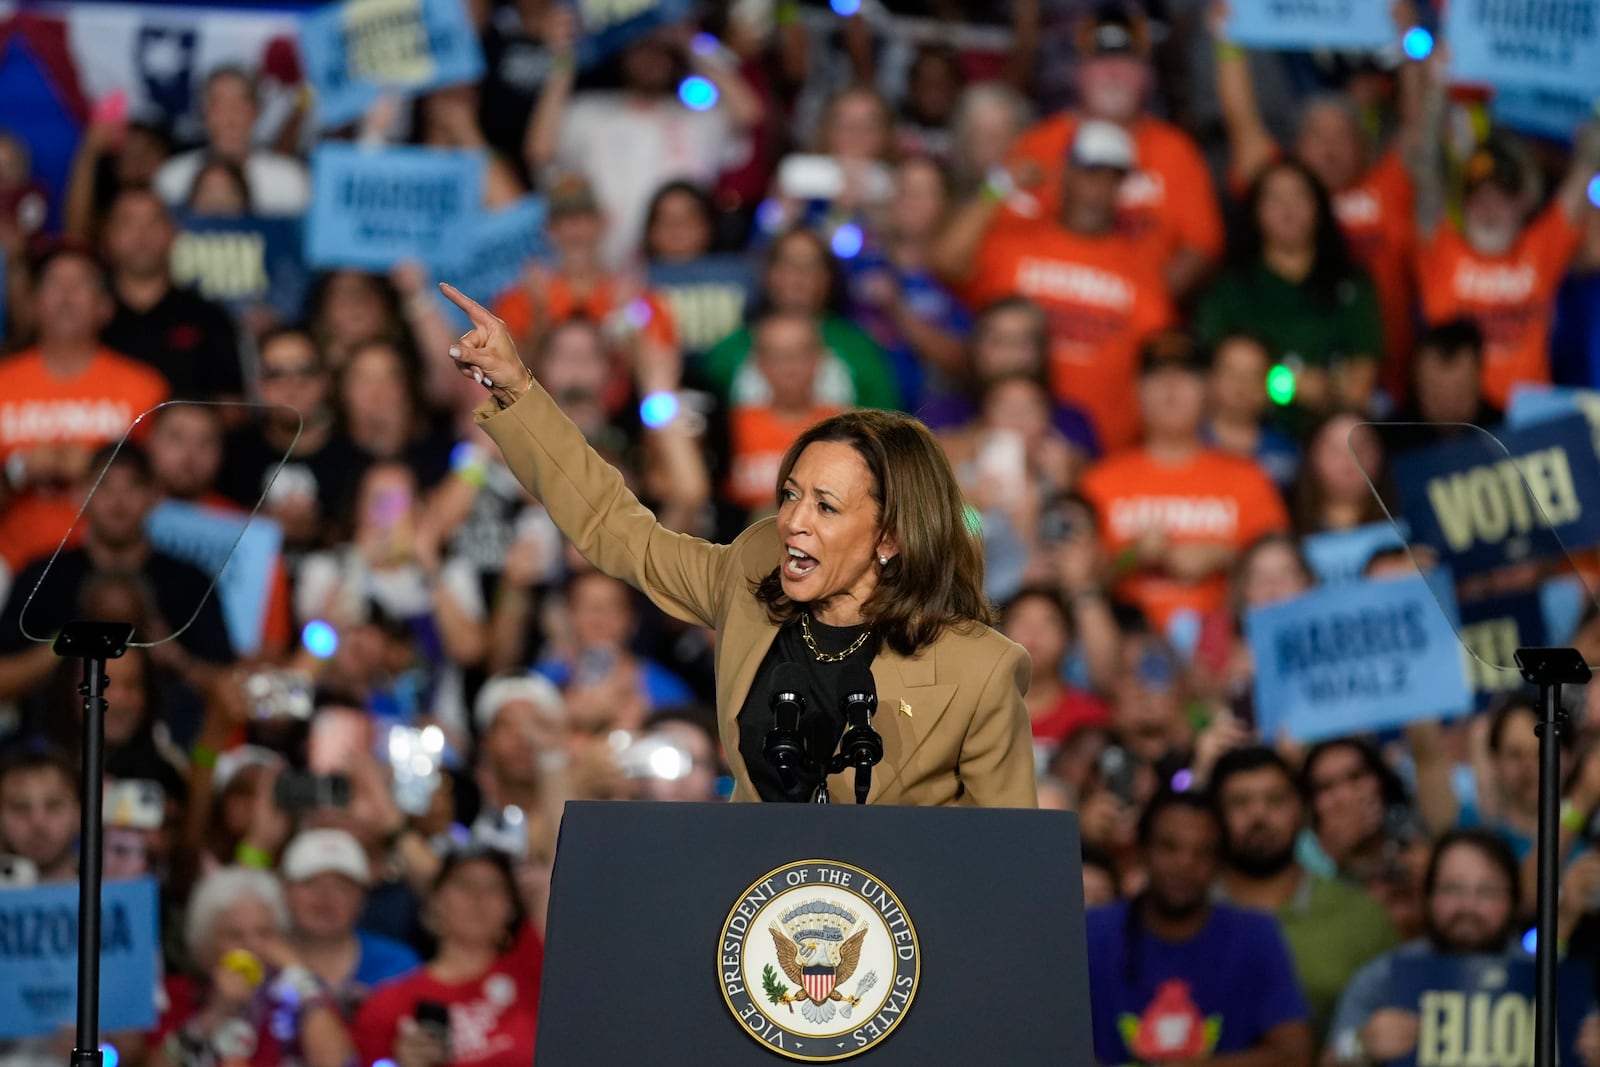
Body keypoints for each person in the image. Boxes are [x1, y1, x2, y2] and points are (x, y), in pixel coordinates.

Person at [437, 281, 1035, 807]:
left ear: (890, 538)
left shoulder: (980, 670)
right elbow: (616, 527)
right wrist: (517, 390)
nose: (794, 521)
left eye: (825, 507)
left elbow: (1003, 867)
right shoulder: (751, 575)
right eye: (791, 495)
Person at [936, 119, 1173, 452]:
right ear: (1065, 174)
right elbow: (946, 260)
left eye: (1112, 179)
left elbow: (1156, 360)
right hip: (990, 427)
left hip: (1098, 447)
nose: (1099, 191)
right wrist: (1000, 184)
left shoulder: (1140, 266)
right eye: (1090, 174)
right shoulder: (1016, 243)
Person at [1007, 4, 1224, 300]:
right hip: (1043, 301)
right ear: (1077, 72)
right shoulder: (1037, 143)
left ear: (1147, 75)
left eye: (1126, 62)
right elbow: (1006, 238)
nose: (1113, 74)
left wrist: (1135, 304)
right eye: (1101, 62)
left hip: (1137, 309)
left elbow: (1201, 245)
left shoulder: (1176, 149)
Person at [1084, 788, 1313, 1066]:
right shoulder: (1092, 933)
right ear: (1142, 851)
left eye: (1203, 852)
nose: (1185, 864)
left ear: (1219, 863)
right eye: (1169, 847)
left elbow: (1295, 1054)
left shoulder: (1255, 935)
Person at [1079, 333, 1289, 635]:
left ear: (1207, 390)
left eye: (1185, 377)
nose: (1171, 388)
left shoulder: (1249, 478)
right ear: (1137, 391)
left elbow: (1285, 577)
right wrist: (1134, 556)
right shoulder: (1098, 482)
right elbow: (1078, 583)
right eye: (1157, 377)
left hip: (1231, 646)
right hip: (1127, 644)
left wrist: (1222, 556)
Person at [1212, 747, 1400, 1043]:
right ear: (1213, 817)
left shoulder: (1363, 917)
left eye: (1275, 800)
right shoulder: (1182, 917)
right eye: (1239, 803)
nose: (1259, 814)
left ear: (1303, 812)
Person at [0, 244, 170, 572]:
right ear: (33, 304)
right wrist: (18, 470)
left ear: (105, 307)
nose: (65, 295)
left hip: (115, 566)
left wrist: (99, 474)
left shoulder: (146, 388)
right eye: (53, 283)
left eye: (80, 284)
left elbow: (170, 492)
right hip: (8, 563)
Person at [1325, 830, 1534, 1066]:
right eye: (1453, 889)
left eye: (1487, 891)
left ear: (1515, 901)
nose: (1468, 905)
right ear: (1428, 896)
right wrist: (1361, 1045)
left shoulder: (1549, 979)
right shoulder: (1384, 978)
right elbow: (1330, 1059)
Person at [1197, 158, 1383, 419]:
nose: (1288, 209)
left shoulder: (1352, 282)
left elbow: (1360, 380)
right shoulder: (1230, 287)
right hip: (1251, 435)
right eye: (1274, 199)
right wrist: (1288, 385)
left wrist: (1268, 380)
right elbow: (1218, 379)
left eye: (1299, 197)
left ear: (1319, 208)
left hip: (1332, 436)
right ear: (1256, 212)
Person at [352, 848, 544, 1067]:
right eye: (464, 884)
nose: (478, 897)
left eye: (494, 888)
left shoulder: (533, 969)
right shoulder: (389, 1003)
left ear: (511, 908)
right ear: (435, 902)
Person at [153, 865, 353, 1067]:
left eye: (265, 932)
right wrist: (214, 1015)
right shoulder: (177, 994)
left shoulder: (299, 993)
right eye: (235, 935)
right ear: (204, 944)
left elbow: (338, 1063)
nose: (252, 945)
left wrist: (299, 974)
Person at [99, 186, 243, 400]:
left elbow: (232, 404)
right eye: (128, 223)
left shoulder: (207, 317)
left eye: (154, 223)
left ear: (173, 233)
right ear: (108, 236)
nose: (142, 235)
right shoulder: (91, 319)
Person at [280, 828, 421, 1018]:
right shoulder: (261, 962)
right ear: (285, 891)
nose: (325, 896)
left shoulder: (399, 966)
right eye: (310, 882)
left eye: (341, 886)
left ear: (363, 898)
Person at [152, 66, 310, 217]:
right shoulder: (172, 177)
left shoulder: (289, 178)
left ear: (256, 111)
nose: (230, 116)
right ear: (203, 113)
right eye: (219, 105)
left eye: (240, 105)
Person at [0, 746, 79, 883]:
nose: (38, 822)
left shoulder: (112, 888)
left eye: (54, 805)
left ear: (80, 814)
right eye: (20, 807)